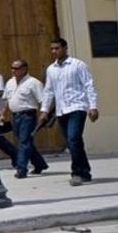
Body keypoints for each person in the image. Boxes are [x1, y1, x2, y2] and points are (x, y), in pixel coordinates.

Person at [40, 37, 99, 186]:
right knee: (74, 142)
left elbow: (89, 86)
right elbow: (48, 91)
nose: (54, 51)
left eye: (57, 48)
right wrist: (44, 110)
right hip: (61, 111)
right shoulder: (51, 69)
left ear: (65, 48)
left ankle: (77, 173)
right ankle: (85, 171)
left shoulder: (78, 65)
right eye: (52, 49)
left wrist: (93, 106)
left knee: (73, 139)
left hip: (77, 107)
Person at [1, 59, 49, 178]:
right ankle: (40, 164)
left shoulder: (33, 83)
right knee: (25, 141)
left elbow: (43, 100)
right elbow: (7, 99)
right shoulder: (10, 83)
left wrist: (44, 113)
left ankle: (21, 168)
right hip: (15, 116)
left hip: (28, 115)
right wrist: (3, 114)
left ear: (24, 69)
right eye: (12, 68)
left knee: (24, 142)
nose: (13, 70)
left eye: (16, 68)